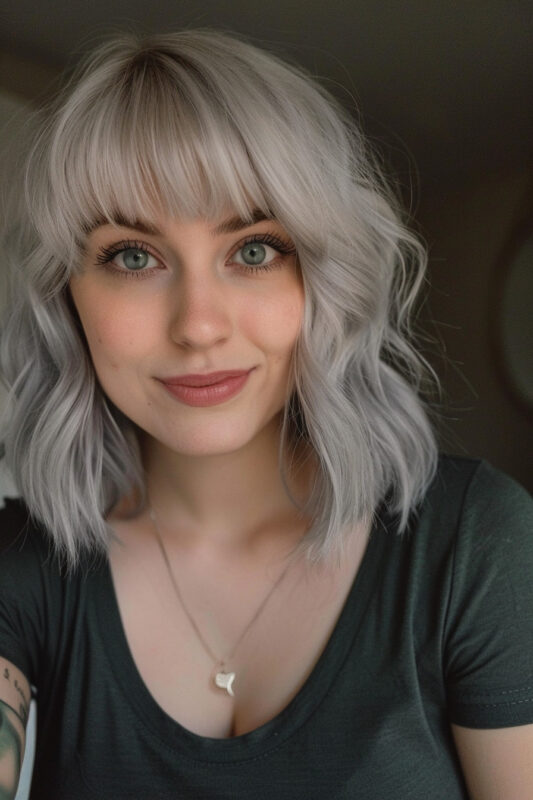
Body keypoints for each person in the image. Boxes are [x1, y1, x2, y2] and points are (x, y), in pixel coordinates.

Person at [0, 27, 531, 800]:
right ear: (66, 296)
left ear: (323, 278)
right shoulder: (25, 562)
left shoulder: (473, 545)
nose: (199, 324)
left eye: (252, 250)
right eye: (132, 256)